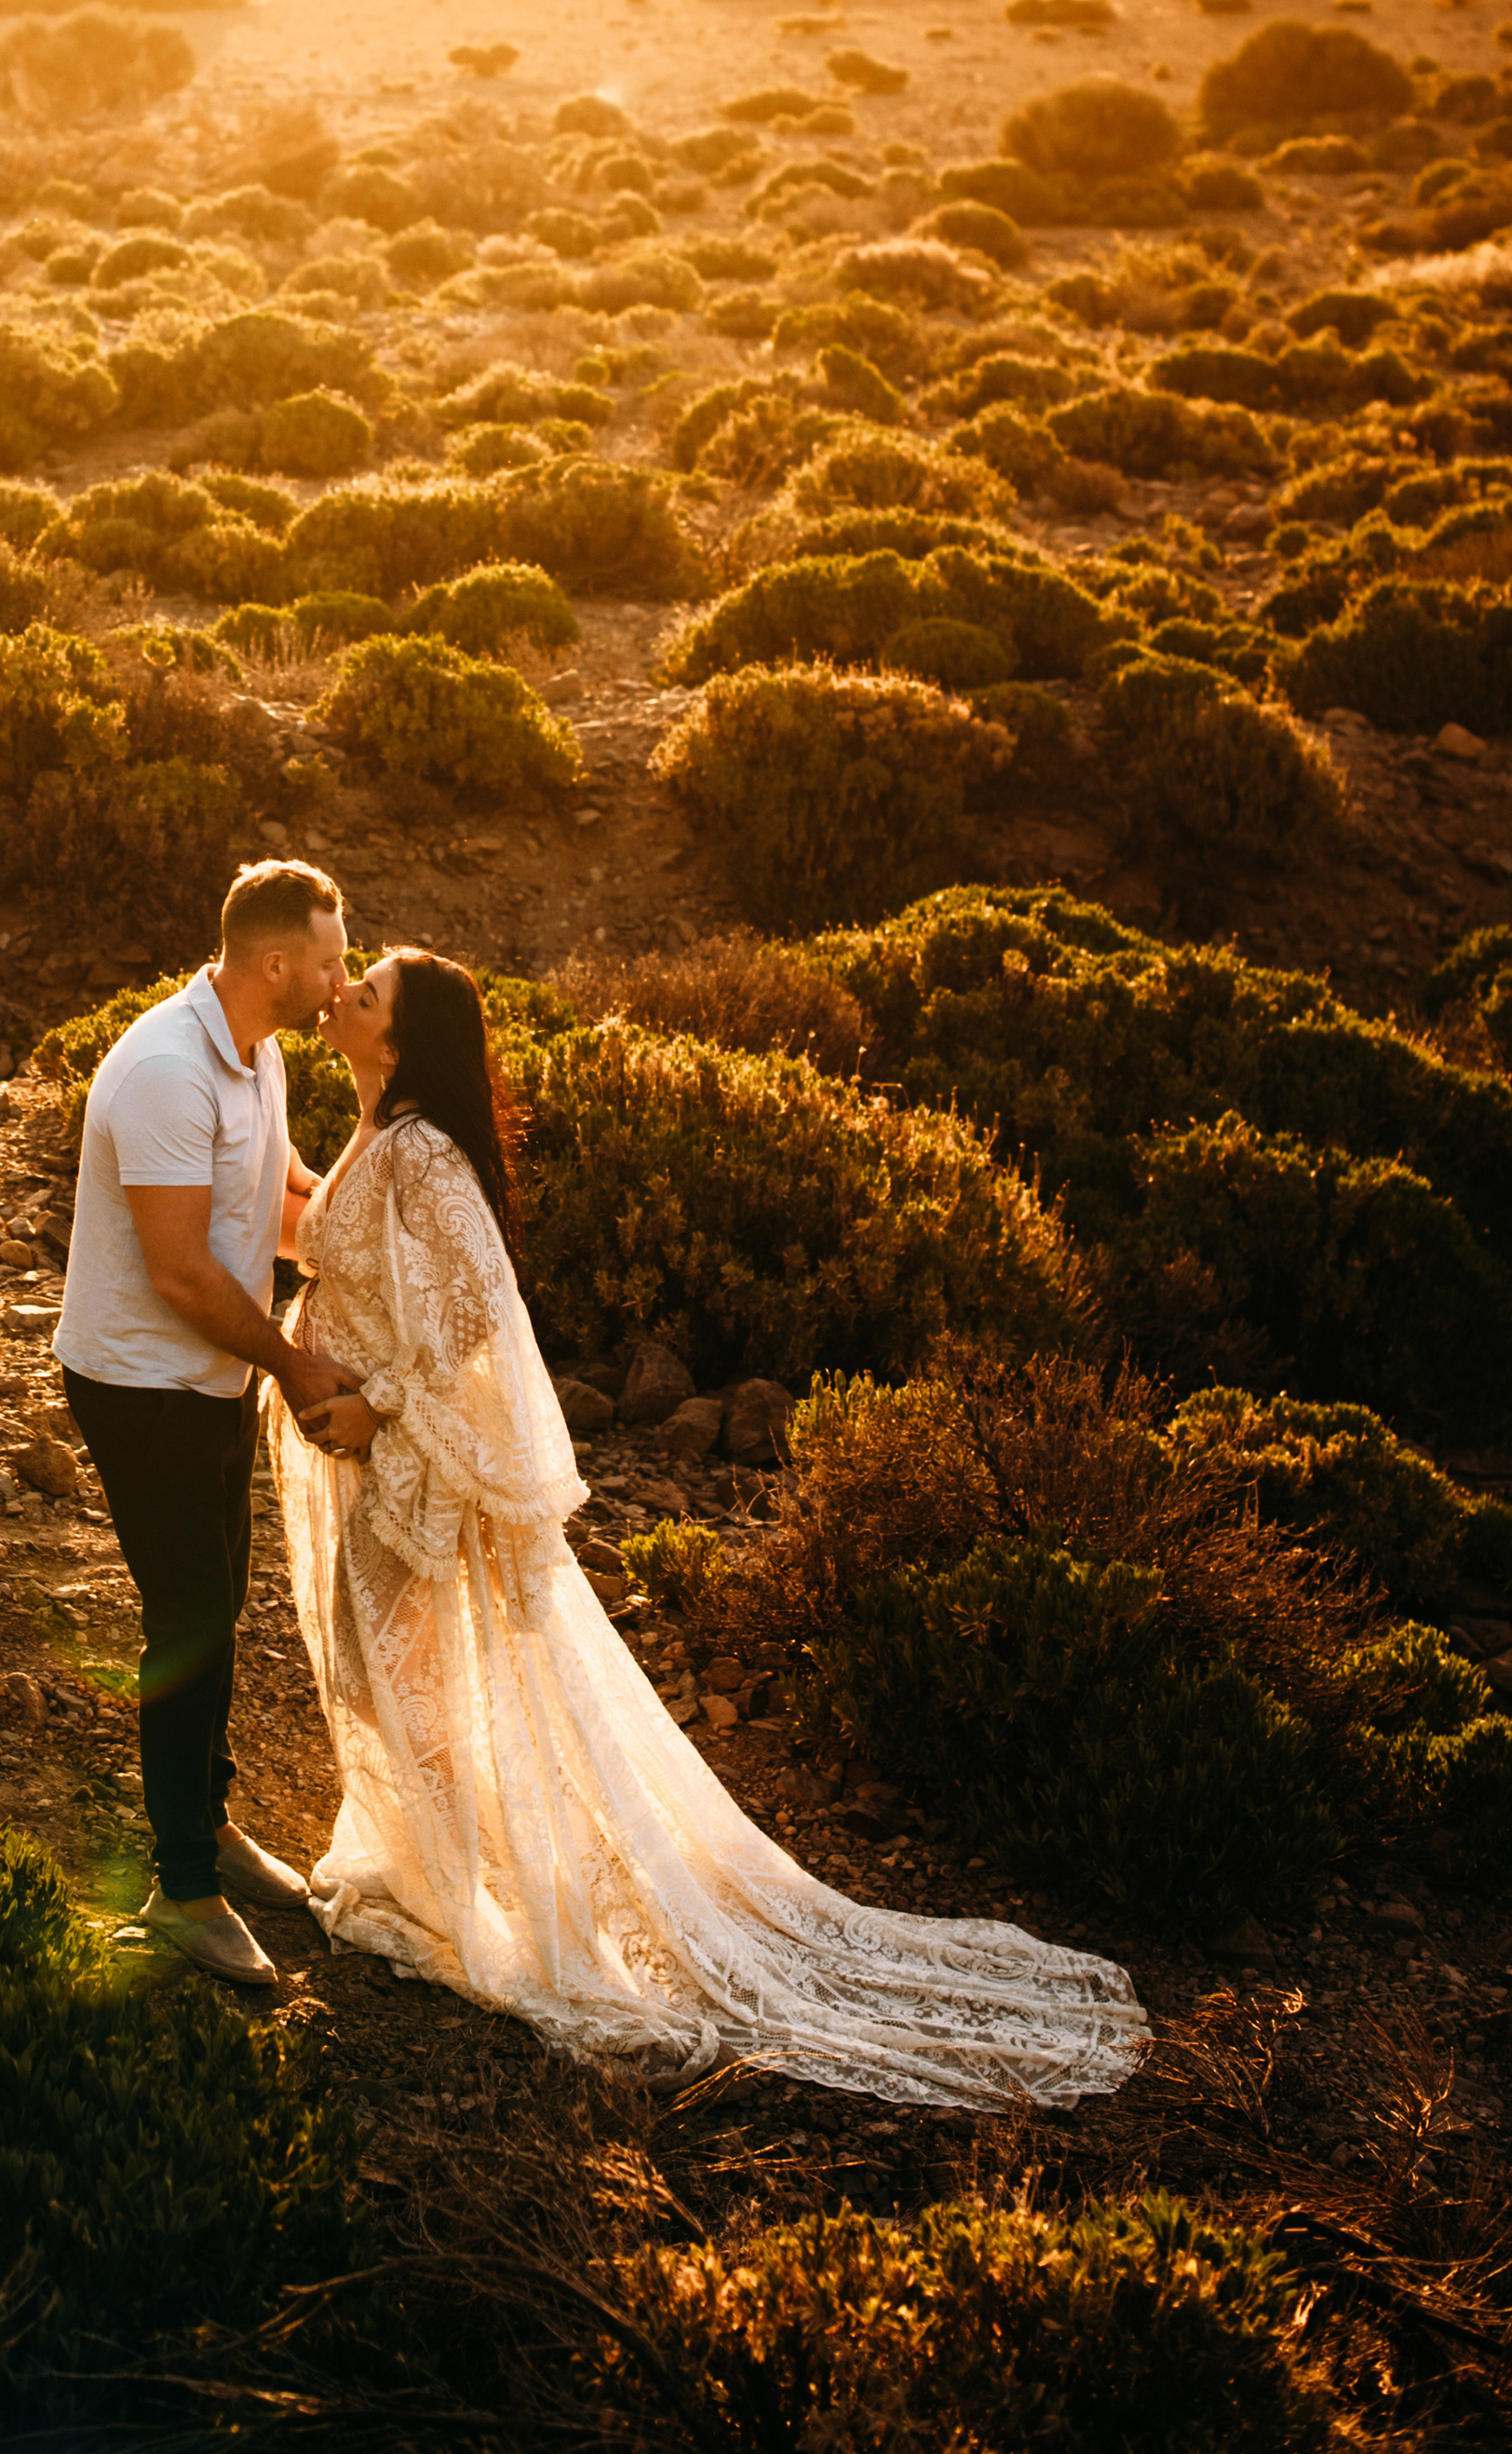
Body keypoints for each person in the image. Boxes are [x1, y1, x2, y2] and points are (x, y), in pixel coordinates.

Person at [268, 947, 1151, 2109]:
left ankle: (468, 1900)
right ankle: (439, 1870)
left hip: (413, 1464)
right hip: (382, 1457)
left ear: (398, 1036)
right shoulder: (376, 1132)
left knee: (402, 1670)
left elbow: (480, 1312)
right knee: (389, 1666)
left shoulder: (424, 1151)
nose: (344, 993)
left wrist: (379, 1404)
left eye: (366, 990)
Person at [56, 857, 360, 1991]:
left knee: (217, 1610)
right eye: (329, 961)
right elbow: (181, 1272)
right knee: (185, 1625)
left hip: (214, 1378)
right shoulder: (166, 1072)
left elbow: (278, 1198)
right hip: (143, 1386)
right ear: (274, 963)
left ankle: (211, 1823)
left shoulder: (258, 1049)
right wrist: (295, 1364)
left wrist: (374, 1227)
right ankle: (182, 1889)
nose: (341, 981)